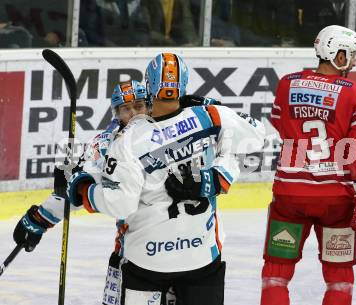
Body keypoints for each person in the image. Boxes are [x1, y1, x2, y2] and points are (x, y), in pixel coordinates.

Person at [66, 52, 265, 305]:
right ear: (183, 85)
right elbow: (256, 134)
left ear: (147, 86)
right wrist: (216, 178)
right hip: (201, 255)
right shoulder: (211, 116)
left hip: (147, 259)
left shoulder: (126, 140)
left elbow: (120, 204)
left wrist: (85, 191)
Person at [12, 79, 223, 305]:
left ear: (151, 105)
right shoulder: (105, 146)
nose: (133, 114)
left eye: (139, 106)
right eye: (126, 109)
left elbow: (224, 129)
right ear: (116, 113)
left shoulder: (176, 127)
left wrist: (207, 106)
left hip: (192, 251)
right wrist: (39, 218)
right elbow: (77, 191)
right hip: (140, 255)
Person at [260, 25, 356, 305]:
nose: (353, 61)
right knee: (339, 276)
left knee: (276, 273)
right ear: (337, 55)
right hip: (335, 201)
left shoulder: (287, 83)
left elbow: (280, 124)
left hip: (290, 196)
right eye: (350, 55)